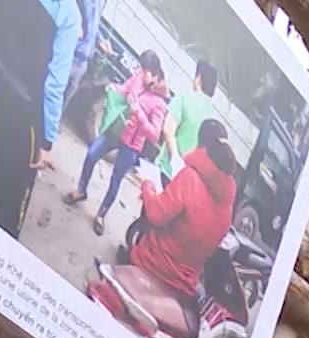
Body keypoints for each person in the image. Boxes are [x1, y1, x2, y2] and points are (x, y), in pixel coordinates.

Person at [0, 0, 83, 237]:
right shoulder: (67, 13)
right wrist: (47, 142)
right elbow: (55, 84)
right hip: (23, 115)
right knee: (6, 198)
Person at [128, 118, 238, 301]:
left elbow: (156, 214)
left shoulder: (189, 177)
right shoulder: (228, 204)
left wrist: (147, 185)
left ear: (201, 145)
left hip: (155, 265)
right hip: (185, 283)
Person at [64, 48, 167, 235]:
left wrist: (138, 113)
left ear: (155, 74)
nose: (142, 74)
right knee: (91, 154)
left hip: (132, 144)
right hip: (115, 130)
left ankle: (101, 214)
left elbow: (153, 134)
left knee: (116, 179)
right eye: (142, 70)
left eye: (146, 72)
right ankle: (81, 190)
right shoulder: (137, 77)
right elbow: (125, 90)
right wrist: (114, 89)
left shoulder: (160, 103)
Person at [154, 59, 220, 181]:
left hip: (166, 170)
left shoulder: (183, 98)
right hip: (185, 180)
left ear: (199, 78)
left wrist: (175, 159)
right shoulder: (211, 116)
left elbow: (168, 131)